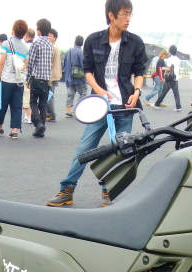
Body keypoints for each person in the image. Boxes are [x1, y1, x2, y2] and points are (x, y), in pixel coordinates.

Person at [47, 0, 147, 207]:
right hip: (100, 106)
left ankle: (109, 191)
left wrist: (137, 92)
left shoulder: (135, 42)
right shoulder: (93, 40)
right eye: (124, 14)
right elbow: (88, 71)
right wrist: (100, 91)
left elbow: (139, 72)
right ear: (111, 15)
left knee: (120, 151)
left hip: (125, 106)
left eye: (130, 14)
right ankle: (67, 190)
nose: (128, 19)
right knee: (85, 147)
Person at [0, 20, 29, 140]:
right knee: (17, 106)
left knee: (2, 105)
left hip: (6, 80)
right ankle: (15, 130)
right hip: (19, 81)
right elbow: (26, 65)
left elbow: (1, 62)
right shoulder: (25, 48)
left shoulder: (6, 44)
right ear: (24, 33)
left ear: (13, 30)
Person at [26, 18, 54, 138]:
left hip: (36, 78)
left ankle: (38, 123)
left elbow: (31, 63)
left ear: (38, 31)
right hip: (46, 79)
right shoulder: (50, 44)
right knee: (43, 104)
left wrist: (27, 79)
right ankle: (41, 128)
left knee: (33, 102)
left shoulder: (36, 43)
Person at [63, 35, 88, 117]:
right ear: (82, 43)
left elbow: (64, 64)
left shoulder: (68, 51)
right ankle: (77, 110)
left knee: (70, 95)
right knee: (83, 93)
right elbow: (84, 65)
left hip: (69, 77)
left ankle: (68, 112)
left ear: (74, 42)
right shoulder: (81, 52)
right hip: (79, 78)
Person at [154, 45, 182, 110]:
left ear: (170, 51)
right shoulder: (178, 59)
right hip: (175, 78)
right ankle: (178, 107)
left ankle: (157, 104)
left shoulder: (169, 60)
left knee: (163, 92)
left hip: (169, 79)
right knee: (176, 94)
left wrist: (163, 68)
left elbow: (169, 69)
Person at [47, 28, 63, 122]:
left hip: (51, 75)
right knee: (50, 94)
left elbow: (49, 62)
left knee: (49, 95)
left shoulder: (52, 47)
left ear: (55, 38)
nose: (49, 37)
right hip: (54, 74)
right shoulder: (55, 47)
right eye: (48, 35)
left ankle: (51, 115)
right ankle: (50, 114)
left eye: (51, 36)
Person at [22, 28, 35, 124]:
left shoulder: (24, 47)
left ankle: (28, 116)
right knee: (32, 97)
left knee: (26, 96)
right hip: (36, 74)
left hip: (26, 74)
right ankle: (29, 116)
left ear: (26, 36)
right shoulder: (35, 46)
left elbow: (23, 61)